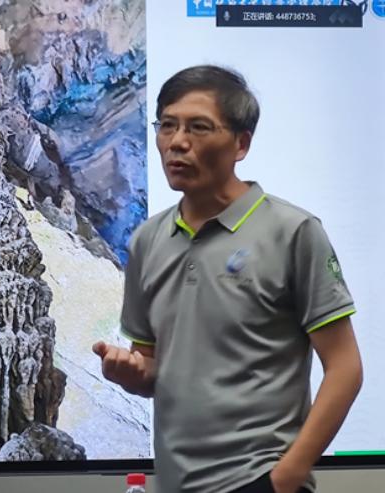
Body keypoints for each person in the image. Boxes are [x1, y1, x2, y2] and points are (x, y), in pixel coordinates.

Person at [92, 65, 363, 493]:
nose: (177, 142)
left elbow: (345, 366)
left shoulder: (293, 232)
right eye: (167, 125)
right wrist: (129, 372)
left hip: (261, 480)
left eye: (198, 127)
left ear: (241, 144)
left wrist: (288, 474)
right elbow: (152, 368)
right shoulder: (147, 240)